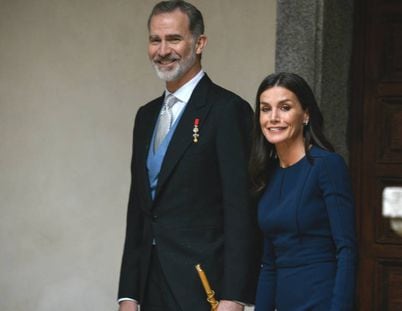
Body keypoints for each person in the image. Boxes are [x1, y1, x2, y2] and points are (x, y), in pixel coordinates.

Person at [117, 1, 261, 310]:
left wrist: (233, 296)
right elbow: (139, 210)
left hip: (203, 284)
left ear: (199, 43)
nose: (163, 49)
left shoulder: (227, 111)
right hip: (149, 283)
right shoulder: (145, 116)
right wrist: (128, 293)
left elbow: (240, 209)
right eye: (155, 39)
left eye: (174, 39)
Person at [249, 72, 357, 310]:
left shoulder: (327, 165)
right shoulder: (267, 173)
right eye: (266, 109)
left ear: (305, 114)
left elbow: (347, 250)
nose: (273, 118)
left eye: (285, 107)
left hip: (322, 300)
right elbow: (269, 263)